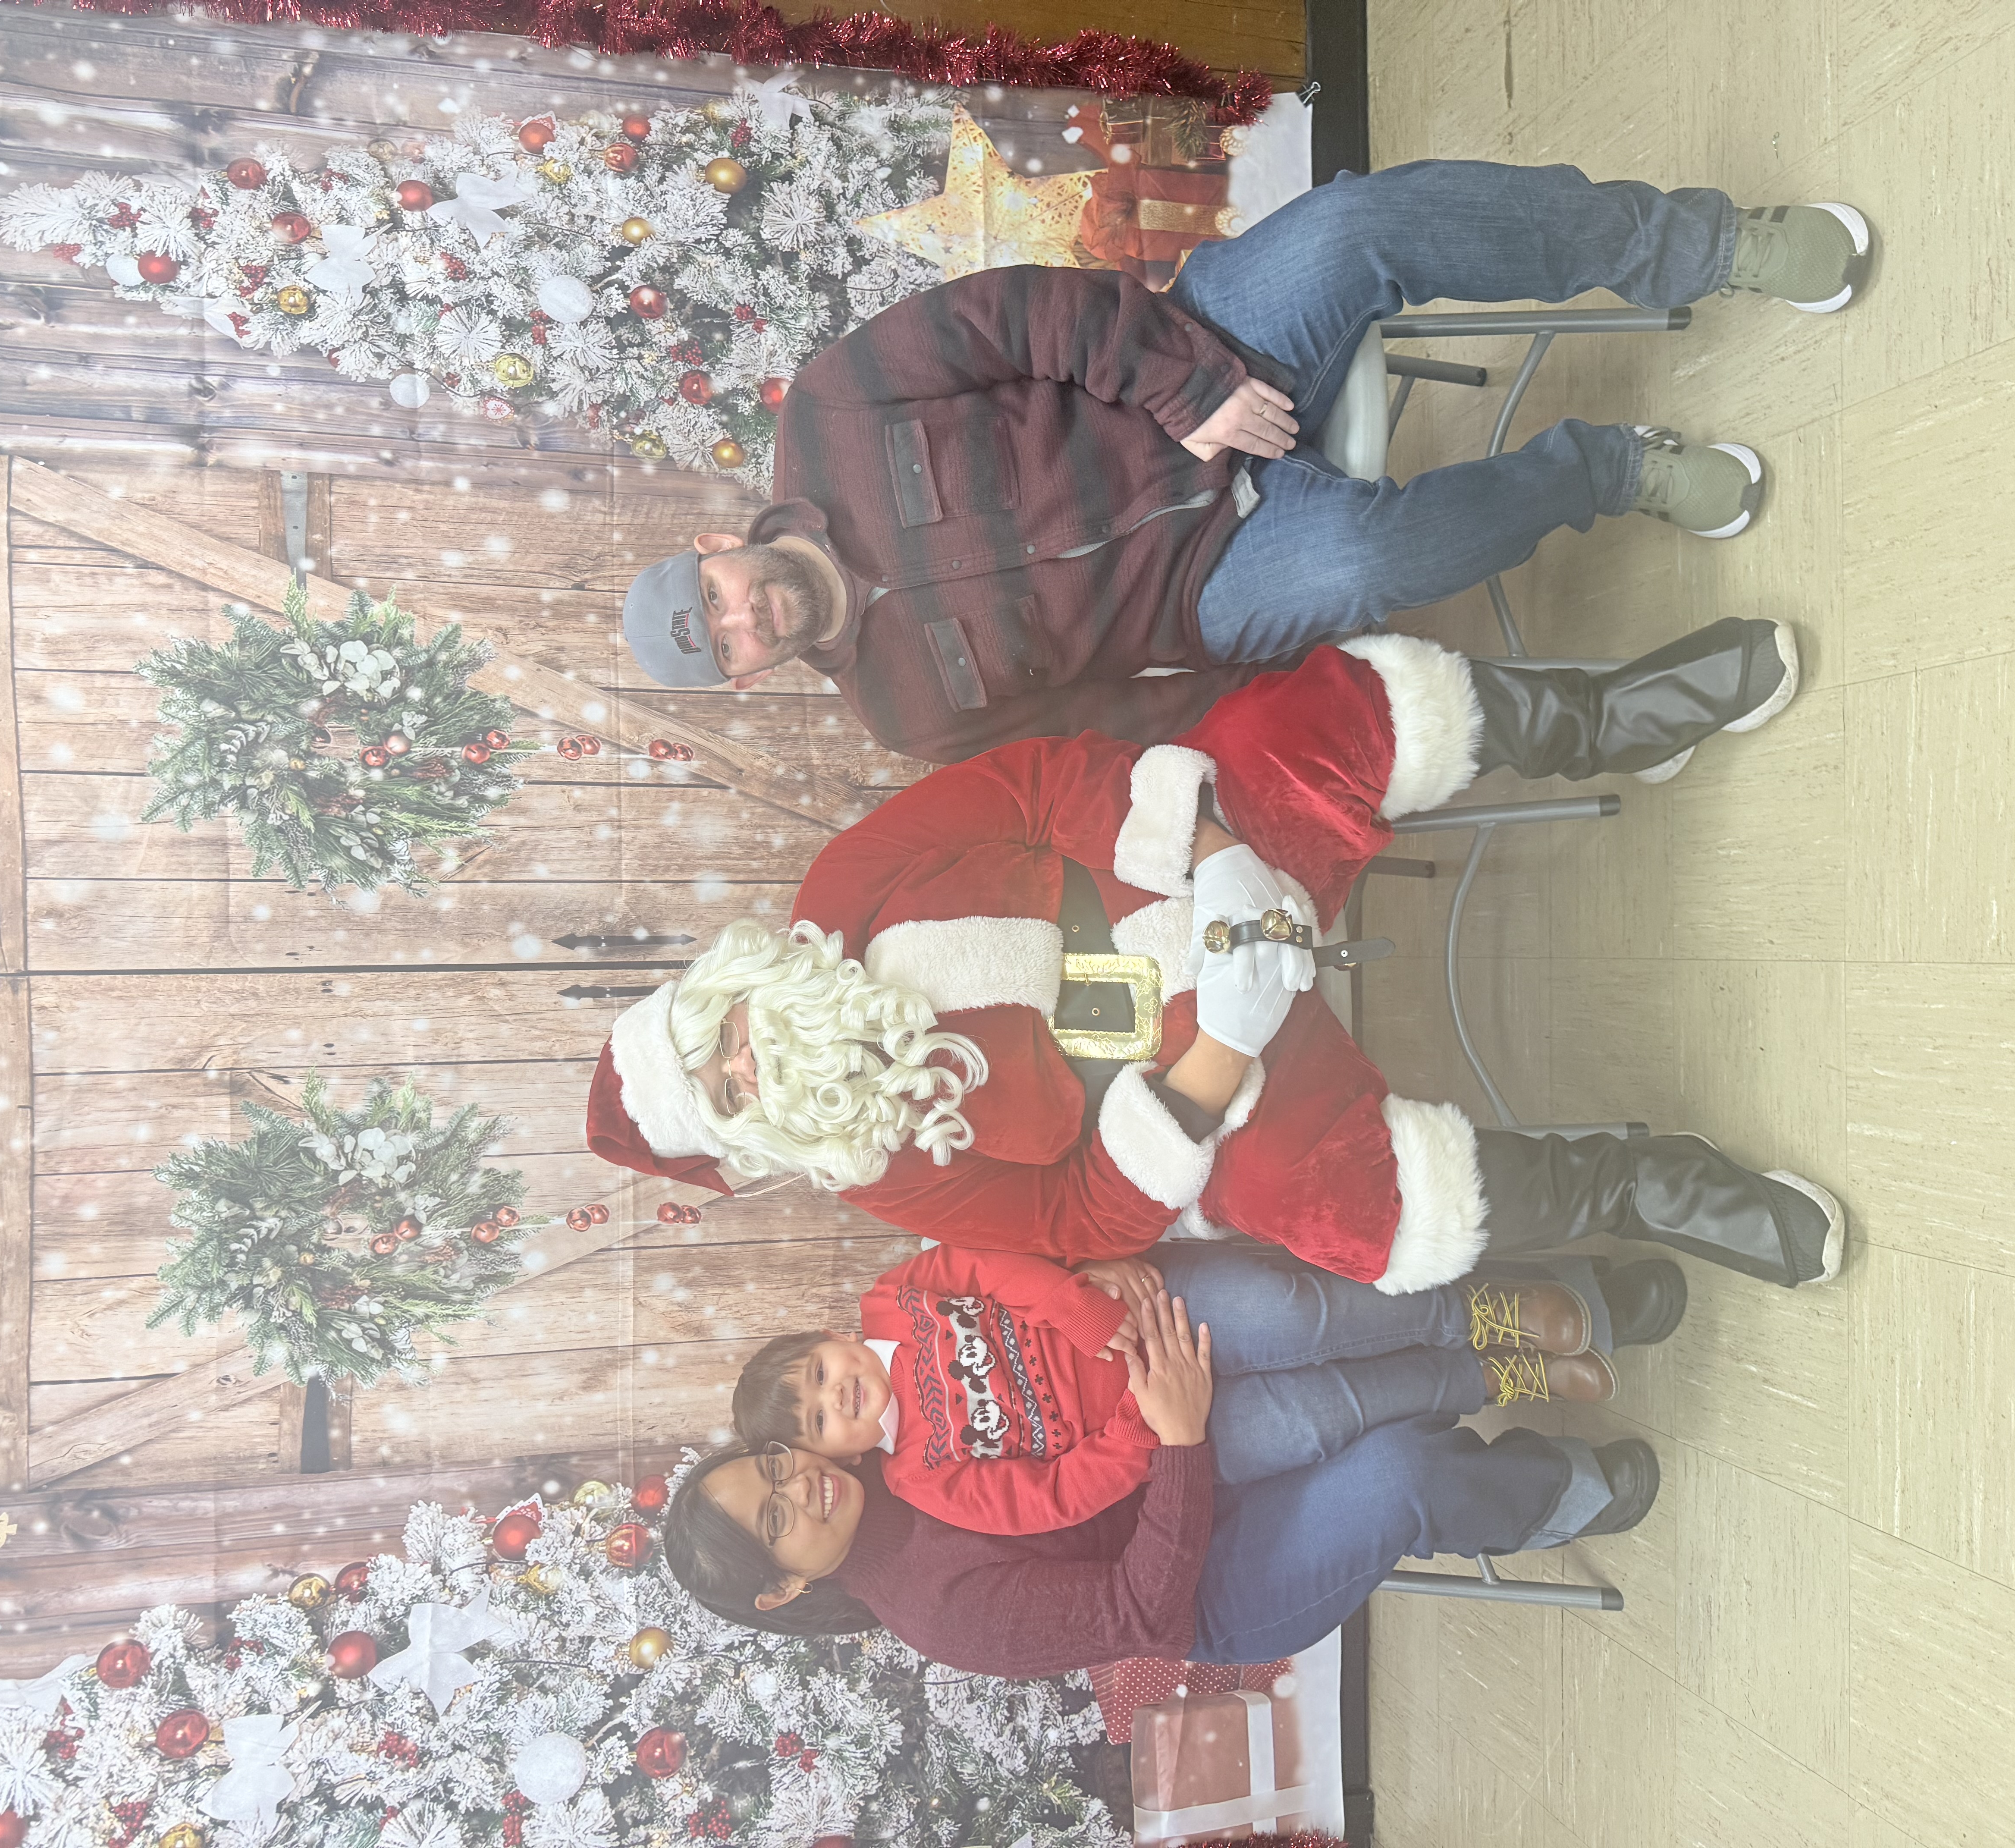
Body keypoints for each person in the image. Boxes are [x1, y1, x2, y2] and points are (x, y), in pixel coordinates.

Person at [586, 622, 1845, 1291]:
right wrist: (1222, 1049)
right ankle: (1637, 1185)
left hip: (1177, 869)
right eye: (733, 1092)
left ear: (726, 989)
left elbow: (1032, 787)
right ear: (755, 1137)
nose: (754, 1059)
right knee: (1350, 1211)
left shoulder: (843, 888)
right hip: (1199, 1071)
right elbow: (1081, 1217)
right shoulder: (883, 1174)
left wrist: (1216, 851)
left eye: (723, 1038)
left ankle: (1604, 719)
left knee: (1305, 728)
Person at [616, 160, 1875, 763]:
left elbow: (1020, 316)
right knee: (1366, 557)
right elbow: (1113, 720)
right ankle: (1610, 472)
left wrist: (1192, 386)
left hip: (1200, 353)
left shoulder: (832, 408)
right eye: (724, 645)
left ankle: (1699, 248)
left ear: (717, 549)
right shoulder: (905, 714)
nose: (746, 619)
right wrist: (1270, 698)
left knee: (1358, 228)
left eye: (714, 599)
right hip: (1212, 576)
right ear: (745, 674)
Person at [662, 1292, 1662, 1675]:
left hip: (1166, 1454)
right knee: (1397, 1475)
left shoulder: (878, 1430)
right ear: (784, 1585)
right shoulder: (943, 1617)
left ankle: (1509, 1324)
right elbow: (1144, 1608)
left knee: (1275, 1330)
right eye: (778, 1519)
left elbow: (995, 1325)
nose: (805, 1483)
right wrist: (1182, 1441)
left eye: (776, 1467)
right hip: (1209, 1586)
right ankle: (1561, 1490)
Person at [729, 1241, 1617, 1536]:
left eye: (819, 1373)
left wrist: (1080, 1310)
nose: (835, 1396)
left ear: (830, 1338)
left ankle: (1475, 1310)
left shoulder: (896, 1296)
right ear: (835, 1453)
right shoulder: (922, 1475)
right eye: (817, 1420)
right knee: (1319, 1420)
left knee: (1299, 1314)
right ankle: (1487, 1371)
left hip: (1152, 1319)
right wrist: (1143, 1427)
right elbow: (1049, 1500)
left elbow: (991, 1265)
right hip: (1168, 1429)